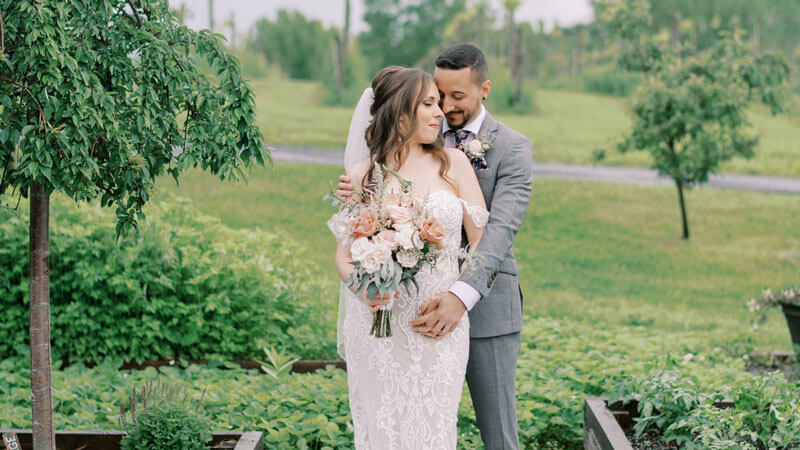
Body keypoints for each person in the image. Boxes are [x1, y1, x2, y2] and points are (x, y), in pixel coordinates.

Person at [337, 44, 533, 449]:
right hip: (392, 318)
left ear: (484, 90)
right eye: (436, 96)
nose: (443, 106)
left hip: (479, 304)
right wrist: (368, 285)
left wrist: (459, 297)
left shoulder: (508, 148)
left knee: (495, 435)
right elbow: (349, 245)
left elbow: (495, 235)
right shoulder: (388, 157)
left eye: (455, 96)